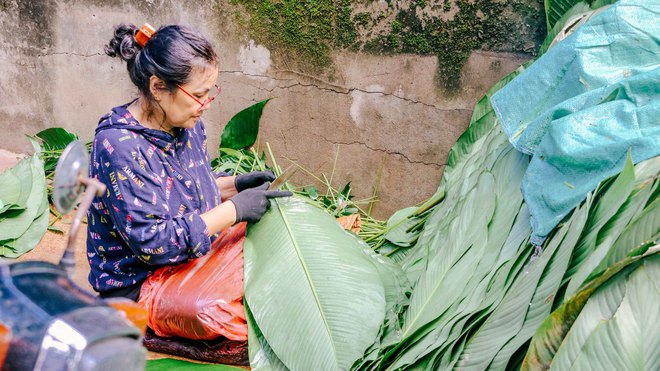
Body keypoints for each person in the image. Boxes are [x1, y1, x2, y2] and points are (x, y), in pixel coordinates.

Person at [87, 23, 291, 302]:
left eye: (209, 92)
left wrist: (235, 185)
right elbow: (154, 243)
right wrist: (233, 211)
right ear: (158, 86)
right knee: (225, 308)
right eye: (197, 95)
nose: (206, 104)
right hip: (141, 281)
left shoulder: (188, 125)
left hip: (188, 258)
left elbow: (180, 189)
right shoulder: (119, 147)